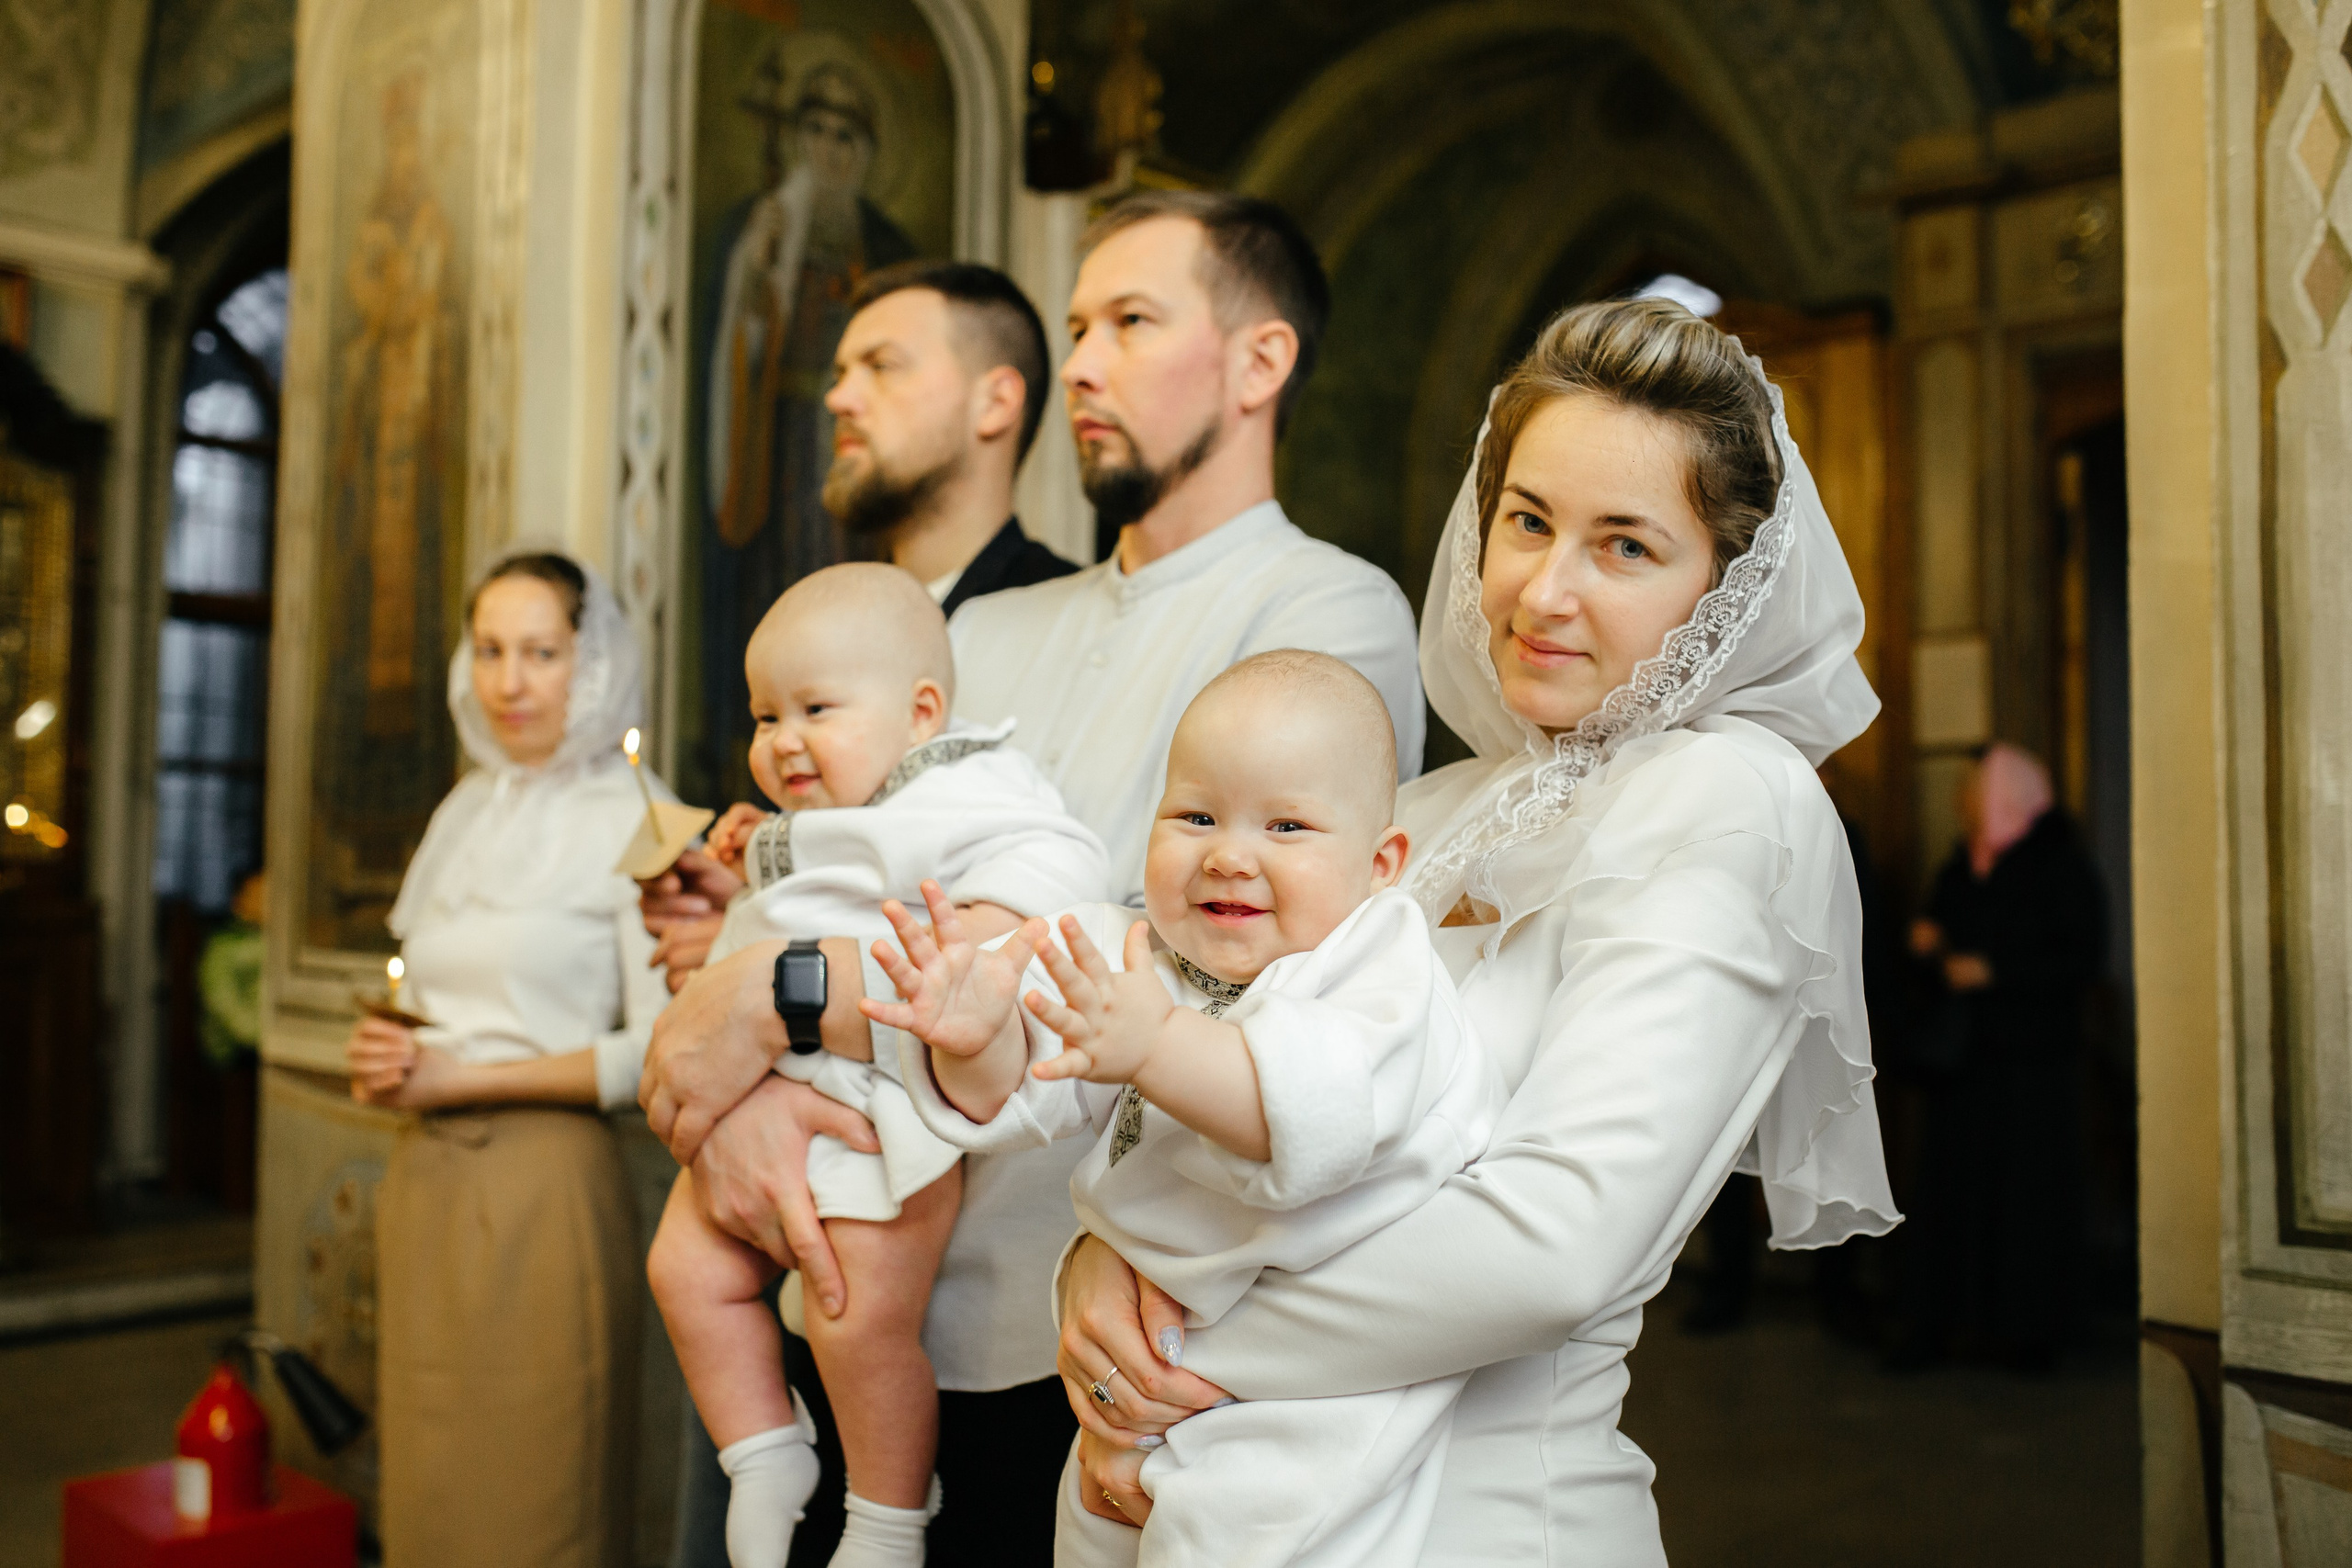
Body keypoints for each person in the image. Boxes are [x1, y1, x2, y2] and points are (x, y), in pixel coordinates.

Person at [639, 191, 1422, 1565]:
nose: (1086, 364)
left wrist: (780, 994)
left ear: (1260, 363)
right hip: (844, 1237)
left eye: (1131, 321)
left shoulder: (1324, 611)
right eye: (1073, 327)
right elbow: (856, 876)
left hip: (1067, 1321)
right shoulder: (977, 625)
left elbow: (1189, 963)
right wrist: (749, 1050)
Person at [1054, 297, 1901, 1562]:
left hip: (1487, 1517)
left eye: (1624, 546)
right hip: (1217, 1493)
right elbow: (1234, 1067)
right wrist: (1099, 1258)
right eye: (1528, 521)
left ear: (1719, 586)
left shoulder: (1732, 799)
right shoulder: (1424, 807)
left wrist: (1174, 1349)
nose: (1545, 591)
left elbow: (1555, 1243)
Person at [871, 651, 1501, 1568]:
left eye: (1286, 826)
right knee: (1087, 1536)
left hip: (1307, 1385)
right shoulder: (1143, 956)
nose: (1229, 854)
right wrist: (977, 1044)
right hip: (1143, 1366)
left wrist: (1158, 1047)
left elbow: (1316, 1123)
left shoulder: (1379, 969)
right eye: (1194, 815)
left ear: (1380, 865)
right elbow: (1024, 1098)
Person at [645, 564, 1106, 1568]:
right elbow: (798, 903)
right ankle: (765, 1451)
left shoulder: (969, 785)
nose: (782, 740)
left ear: (921, 712)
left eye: (815, 708)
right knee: (681, 1268)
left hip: (886, 1105)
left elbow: (1053, 869)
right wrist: (741, 868)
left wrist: (985, 935)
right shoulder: (837, 809)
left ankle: (890, 1518)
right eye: (765, 716)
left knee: (855, 1320)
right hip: (768, 1093)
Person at [345, 551, 670, 1568]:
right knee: (431, 1498)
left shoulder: (642, 817)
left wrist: (469, 1080)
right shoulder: (462, 813)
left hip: (548, 1190)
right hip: (424, 1180)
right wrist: (390, 1052)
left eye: (540, 652)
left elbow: (663, 1049)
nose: (510, 681)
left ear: (593, 661)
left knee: (542, 1501)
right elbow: (422, 993)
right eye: (489, 651)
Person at [649, 260, 1077, 990]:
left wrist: (798, 972)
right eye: (842, 370)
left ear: (995, 402)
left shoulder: (1068, 617)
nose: (838, 397)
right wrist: (758, 903)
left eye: (882, 366)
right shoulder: (816, 623)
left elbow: (1056, 908)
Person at [1891, 742, 2105, 1373]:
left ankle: (2027, 1334)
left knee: (2027, 1203)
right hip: (1965, 1066)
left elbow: (2081, 959)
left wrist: (1996, 971)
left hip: (2033, 1067)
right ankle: (1943, 1323)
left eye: (1972, 789)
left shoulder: (2060, 865)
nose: (1960, 802)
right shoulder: (1963, 864)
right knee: (1953, 1199)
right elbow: (1938, 934)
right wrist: (1927, 943)